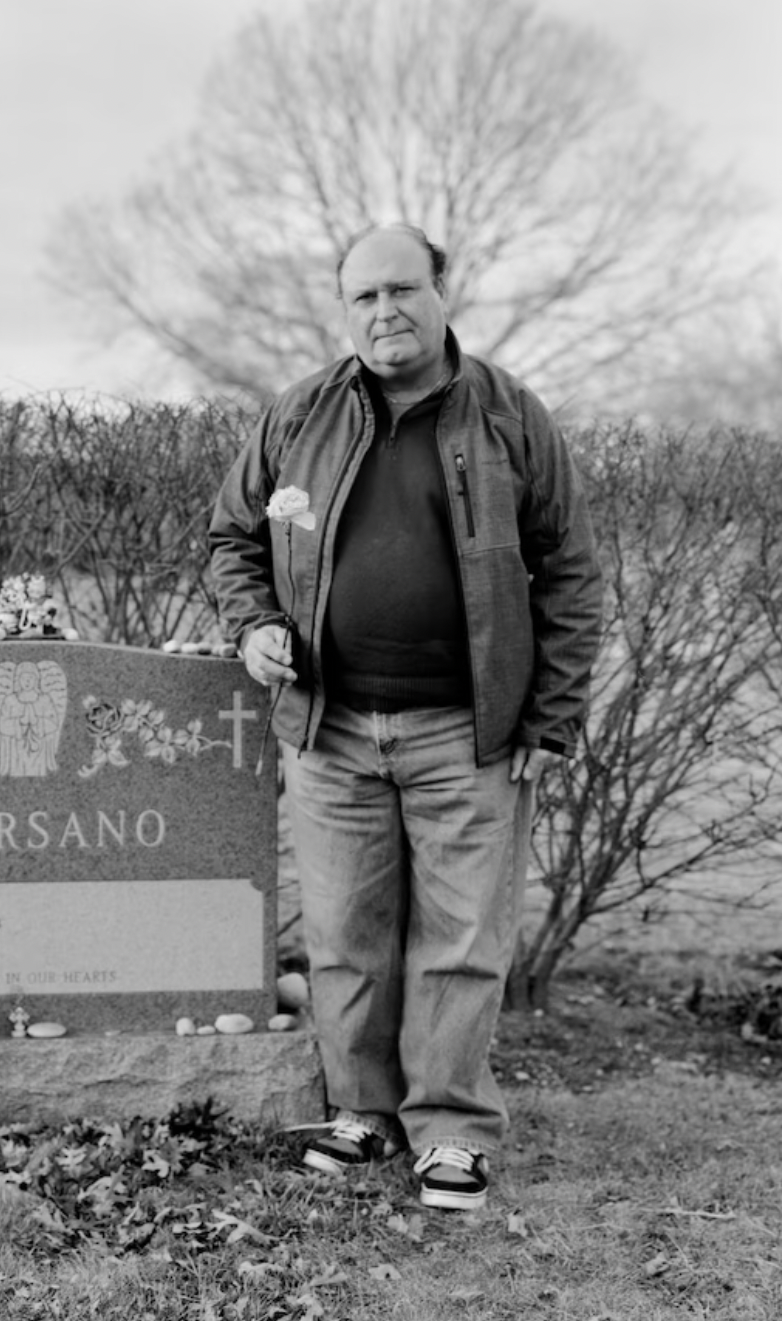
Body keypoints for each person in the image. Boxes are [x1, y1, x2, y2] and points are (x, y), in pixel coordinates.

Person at [209, 223, 603, 1211]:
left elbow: (570, 572)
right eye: (362, 297)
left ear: (441, 290)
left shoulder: (510, 417)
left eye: (401, 289)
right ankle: (362, 1114)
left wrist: (546, 719)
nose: (384, 312)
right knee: (345, 932)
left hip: (468, 733)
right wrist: (254, 622)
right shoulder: (300, 414)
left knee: (462, 940)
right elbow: (233, 539)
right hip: (331, 728)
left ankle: (452, 1130)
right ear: (344, 310)